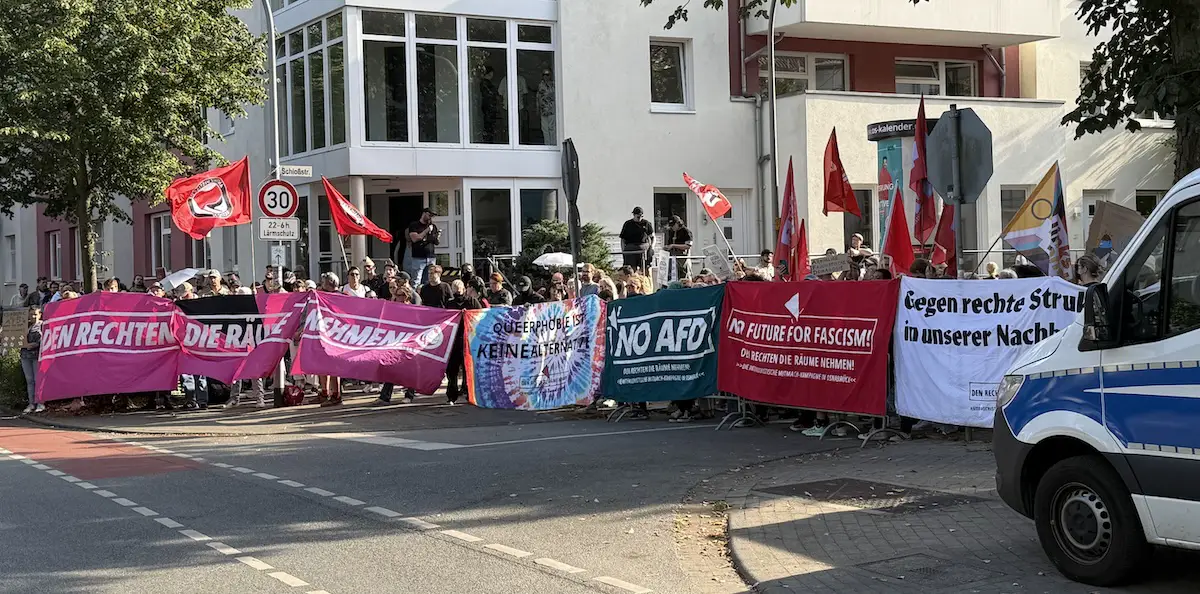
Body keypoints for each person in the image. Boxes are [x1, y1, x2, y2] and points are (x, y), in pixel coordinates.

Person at [377, 284, 419, 405]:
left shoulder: (413, 310)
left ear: (407, 297)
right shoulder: (394, 308)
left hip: (409, 343)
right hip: (395, 342)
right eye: (397, 295)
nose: (399, 298)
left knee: (410, 369)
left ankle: (409, 394)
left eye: (402, 295)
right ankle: (385, 396)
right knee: (391, 367)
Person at [317, 272, 343, 406]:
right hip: (327, 334)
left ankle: (336, 395)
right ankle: (326, 392)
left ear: (329, 283)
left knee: (333, 366)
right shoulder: (325, 296)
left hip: (335, 335)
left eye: (323, 282)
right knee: (324, 365)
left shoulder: (339, 297)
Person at [403, 208, 441, 286]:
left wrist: (437, 237)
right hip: (418, 257)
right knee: (416, 280)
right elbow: (415, 238)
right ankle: (415, 293)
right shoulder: (414, 225)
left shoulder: (433, 226)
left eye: (432, 216)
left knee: (430, 280)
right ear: (424, 214)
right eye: (430, 215)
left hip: (431, 257)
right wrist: (427, 230)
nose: (430, 218)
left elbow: (436, 242)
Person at [20, 306, 44, 414]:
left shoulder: (43, 325)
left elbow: (45, 339)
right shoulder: (25, 326)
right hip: (25, 356)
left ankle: (40, 403)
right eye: (31, 314)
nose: (33, 316)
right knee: (29, 380)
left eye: (35, 314)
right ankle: (31, 403)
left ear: (40, 314)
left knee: (38, 380)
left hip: (37, 356)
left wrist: (33, 345)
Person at [664, 215, 694, 281]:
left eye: (673, 225)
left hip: (683, 258)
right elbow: (670, 244)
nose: (672, 227)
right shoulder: (672, 232)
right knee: (672, 277)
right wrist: (667, 247)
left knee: (684, 276)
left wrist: (674, 245)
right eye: (671, 226)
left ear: (678, 223)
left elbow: (688, 246)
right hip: (673, 258)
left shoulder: (686, 231)